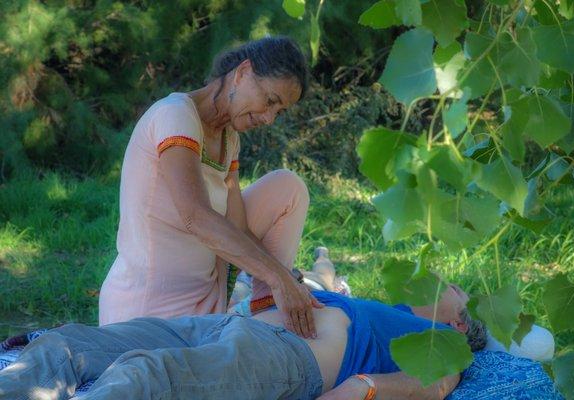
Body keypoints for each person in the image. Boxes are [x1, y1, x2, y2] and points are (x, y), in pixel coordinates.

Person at [99, 36, 322, 338]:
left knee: (289, 187)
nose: (269, 119)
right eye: (270, 101)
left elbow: (238, 228)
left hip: (206, 306)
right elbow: (196, 215)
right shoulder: (175, 113)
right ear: (242, 73)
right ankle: (272, 307)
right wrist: (278, 278)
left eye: (278, 112)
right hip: (146, 315)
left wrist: (284, 280)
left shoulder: (230, 139)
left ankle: (269, 310)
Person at [0, 281, 486, 400]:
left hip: (284, 355)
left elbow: (437, 385)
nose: (445, 282)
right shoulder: (389, 311)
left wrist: (364, 387)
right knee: (68, 344)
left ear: (461, 322)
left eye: (457, 289)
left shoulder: (445, 342)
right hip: (219, 323)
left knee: (147, 373)